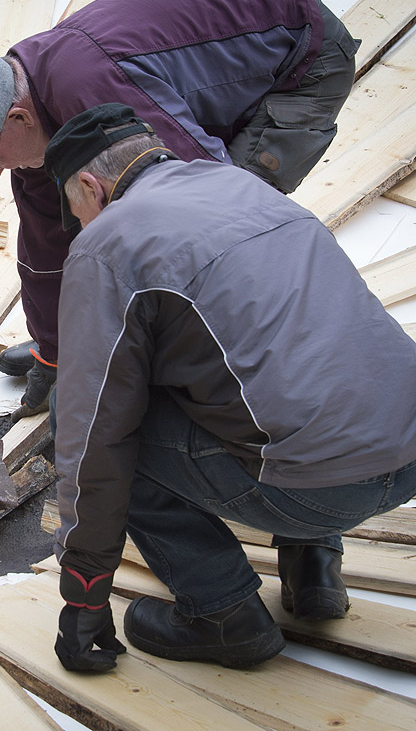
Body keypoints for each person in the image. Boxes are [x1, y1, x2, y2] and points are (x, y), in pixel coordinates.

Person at [40, 102, 416, 672]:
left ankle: (224, 615)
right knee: (271, 361)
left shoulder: (109, 242)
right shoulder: (240, 185)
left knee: (85, 418)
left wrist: (84, 595)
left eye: (78, 211)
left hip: (322, 490)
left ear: (90, 187)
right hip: (407, 455)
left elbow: (95, 436)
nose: (83, 226)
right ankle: (312, 568)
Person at [0, 0, 360, 420]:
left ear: (18, 118)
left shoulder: (91, 85)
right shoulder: (30, 119)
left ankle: (268, 371)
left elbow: (205, 195)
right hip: (218, 72)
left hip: (301, 57)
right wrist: (58, 351)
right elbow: (48, 247)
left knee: (231, 222)